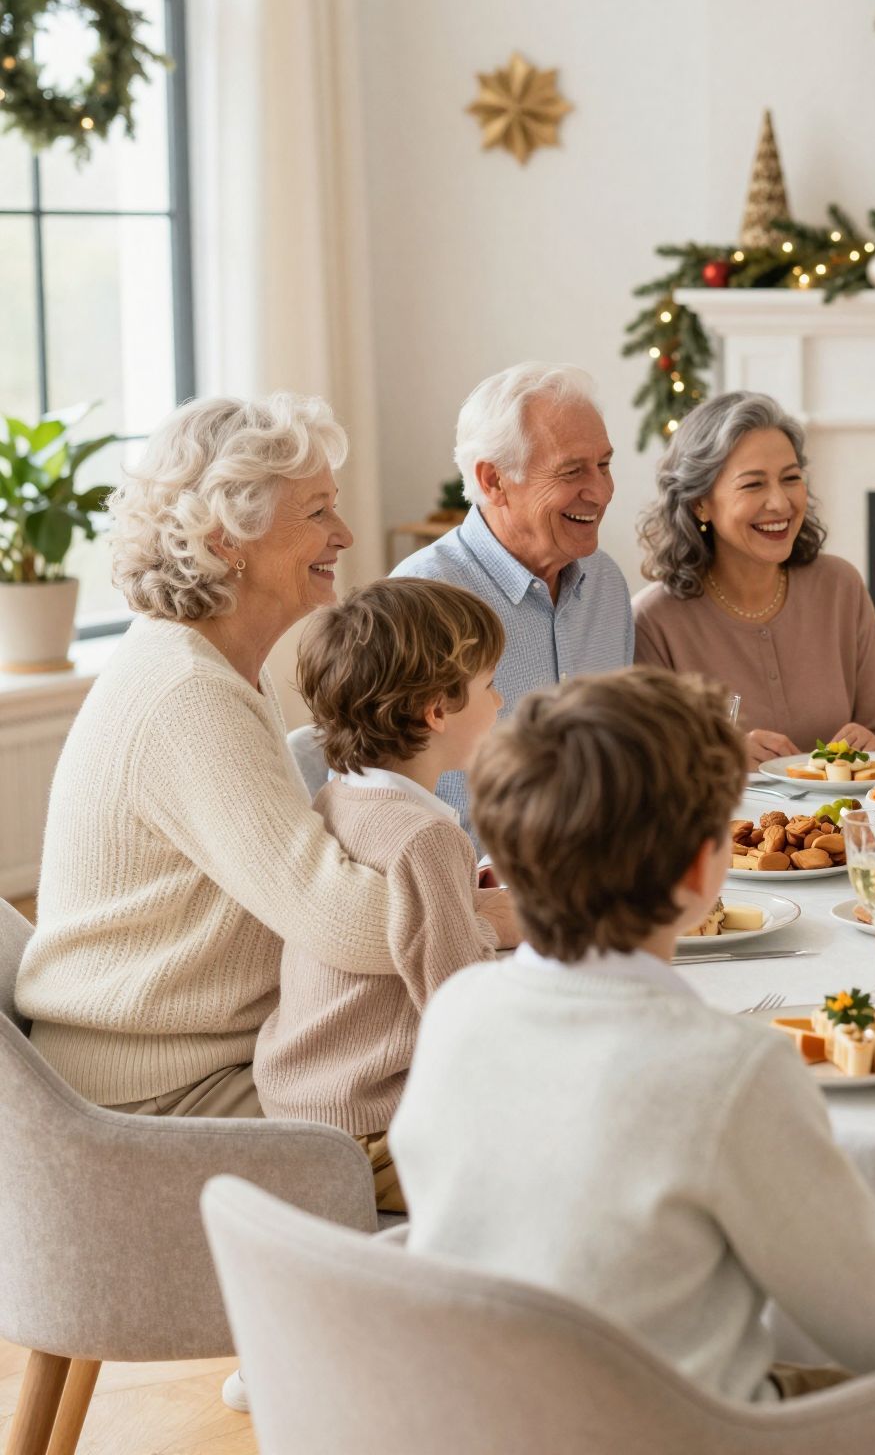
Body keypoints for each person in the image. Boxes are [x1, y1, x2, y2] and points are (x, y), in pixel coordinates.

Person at [388, 669, 875, 1449]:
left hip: (487, 1417)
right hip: (684, 1431)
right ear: (702, 870)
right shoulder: (729, 1070)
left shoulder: (457, 1014)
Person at [15, 394, 517, 1116]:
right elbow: (339, 919)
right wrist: (506, 918)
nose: (343, 533)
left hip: (220, 1050)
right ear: (227, 539)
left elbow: (316, 867)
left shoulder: (217, 666)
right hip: (155, 1092)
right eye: (316, 512)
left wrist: (471, 895)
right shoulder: (187, 695)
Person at [254, 578, 507, 1211]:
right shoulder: (425, 837)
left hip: (301, 1102)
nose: (501, 701)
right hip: (369, 1131)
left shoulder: (339, 797)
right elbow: (464, 1007)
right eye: (489, 686)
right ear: (437, 711)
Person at [393, 363, 634, 831]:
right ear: (493, 481)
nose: (601, 492)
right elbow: (382, 798)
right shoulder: (420, 600)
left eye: (604, 465)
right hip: (474, 887)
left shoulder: (605, 584)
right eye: (572, 471)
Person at [632, 391, 875, 768]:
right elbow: (647, 772)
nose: (780, 503)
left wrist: (874, 747)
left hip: (847, 824)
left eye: (790, 478)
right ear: (700, 503)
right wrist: (721, 758)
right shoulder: (653, 621)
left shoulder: (840, 586)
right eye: (753, 484)